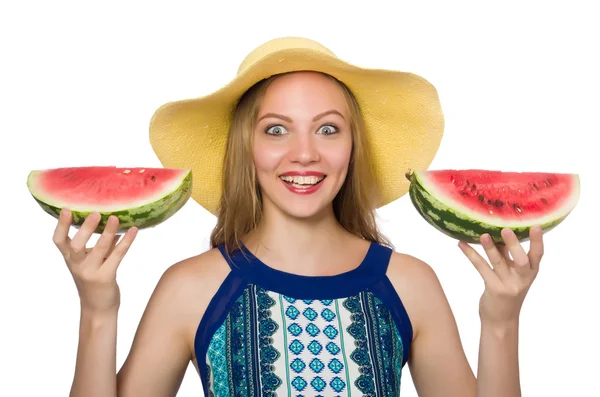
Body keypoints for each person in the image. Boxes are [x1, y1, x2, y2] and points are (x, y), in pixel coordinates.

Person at [53, 37, 544, 397]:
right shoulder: (190, 288)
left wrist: (500, 320)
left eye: (328, 129)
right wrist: (98, 310)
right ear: (247, 149)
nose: (304, 153)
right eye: (276, 130)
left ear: (353, 148)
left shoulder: (411, 284)